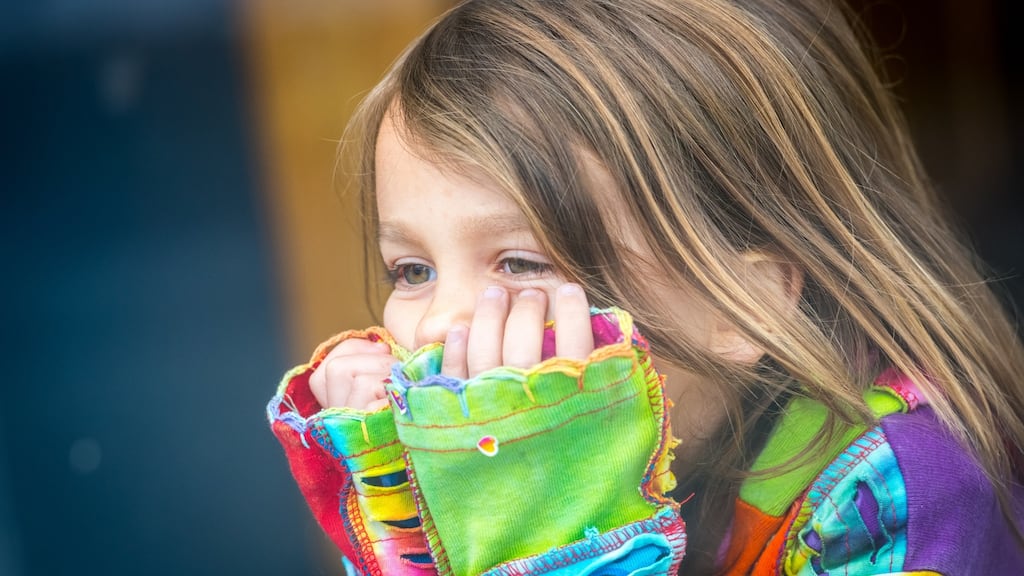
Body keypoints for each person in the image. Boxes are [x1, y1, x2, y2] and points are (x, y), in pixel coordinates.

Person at [267, 0, 1024, 574]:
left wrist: (554, 534)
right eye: (414, 271)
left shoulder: (904, 497)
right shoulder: (662, 439)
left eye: (521, 264)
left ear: (747, 303)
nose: (434, 326)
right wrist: (411, 496)